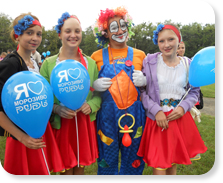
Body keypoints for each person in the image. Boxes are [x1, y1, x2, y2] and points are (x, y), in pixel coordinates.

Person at [137, 23, 207, 175]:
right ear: (157, 42)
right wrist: (156, 111)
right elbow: (142, 91)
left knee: (172, 163)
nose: (166, 44)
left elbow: (194, 90)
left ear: (179, 40)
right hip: (158, 120)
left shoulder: (187, 64)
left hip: (179, 119)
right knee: (159, 166)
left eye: (171, 39)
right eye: (162, 41)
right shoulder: (150, 61)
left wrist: (183, 108)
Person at [0, 13, 65, 175]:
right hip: (21, 135)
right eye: (29, 33)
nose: (35, 38)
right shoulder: (11, 63)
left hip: (39, 129)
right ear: (17, 35)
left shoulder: (33, 62)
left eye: (38, 34)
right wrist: (22, 137)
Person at [40, 12, 101, 175]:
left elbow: (98, 94)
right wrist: (56, 109)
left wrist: (92, 105)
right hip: (62, 123)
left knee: (80, 167)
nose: (73, 35)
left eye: (77, 31)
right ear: (60, 34)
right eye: (68, 31)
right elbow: (43, 97)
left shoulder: (91, 63)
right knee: (66, 168)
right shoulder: (48, 64)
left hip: (83, 122)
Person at [91, 6, 146, 175]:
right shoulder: (96, 56)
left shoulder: (140, 55)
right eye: (114, 28)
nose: (121, 31)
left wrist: (145, 82)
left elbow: (151, 89)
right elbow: (89, 92)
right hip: (107, 115)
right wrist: (94, 85)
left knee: (134, 158)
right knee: (107, 158)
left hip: (135, 113)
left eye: (123, 26)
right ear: (105, 33)